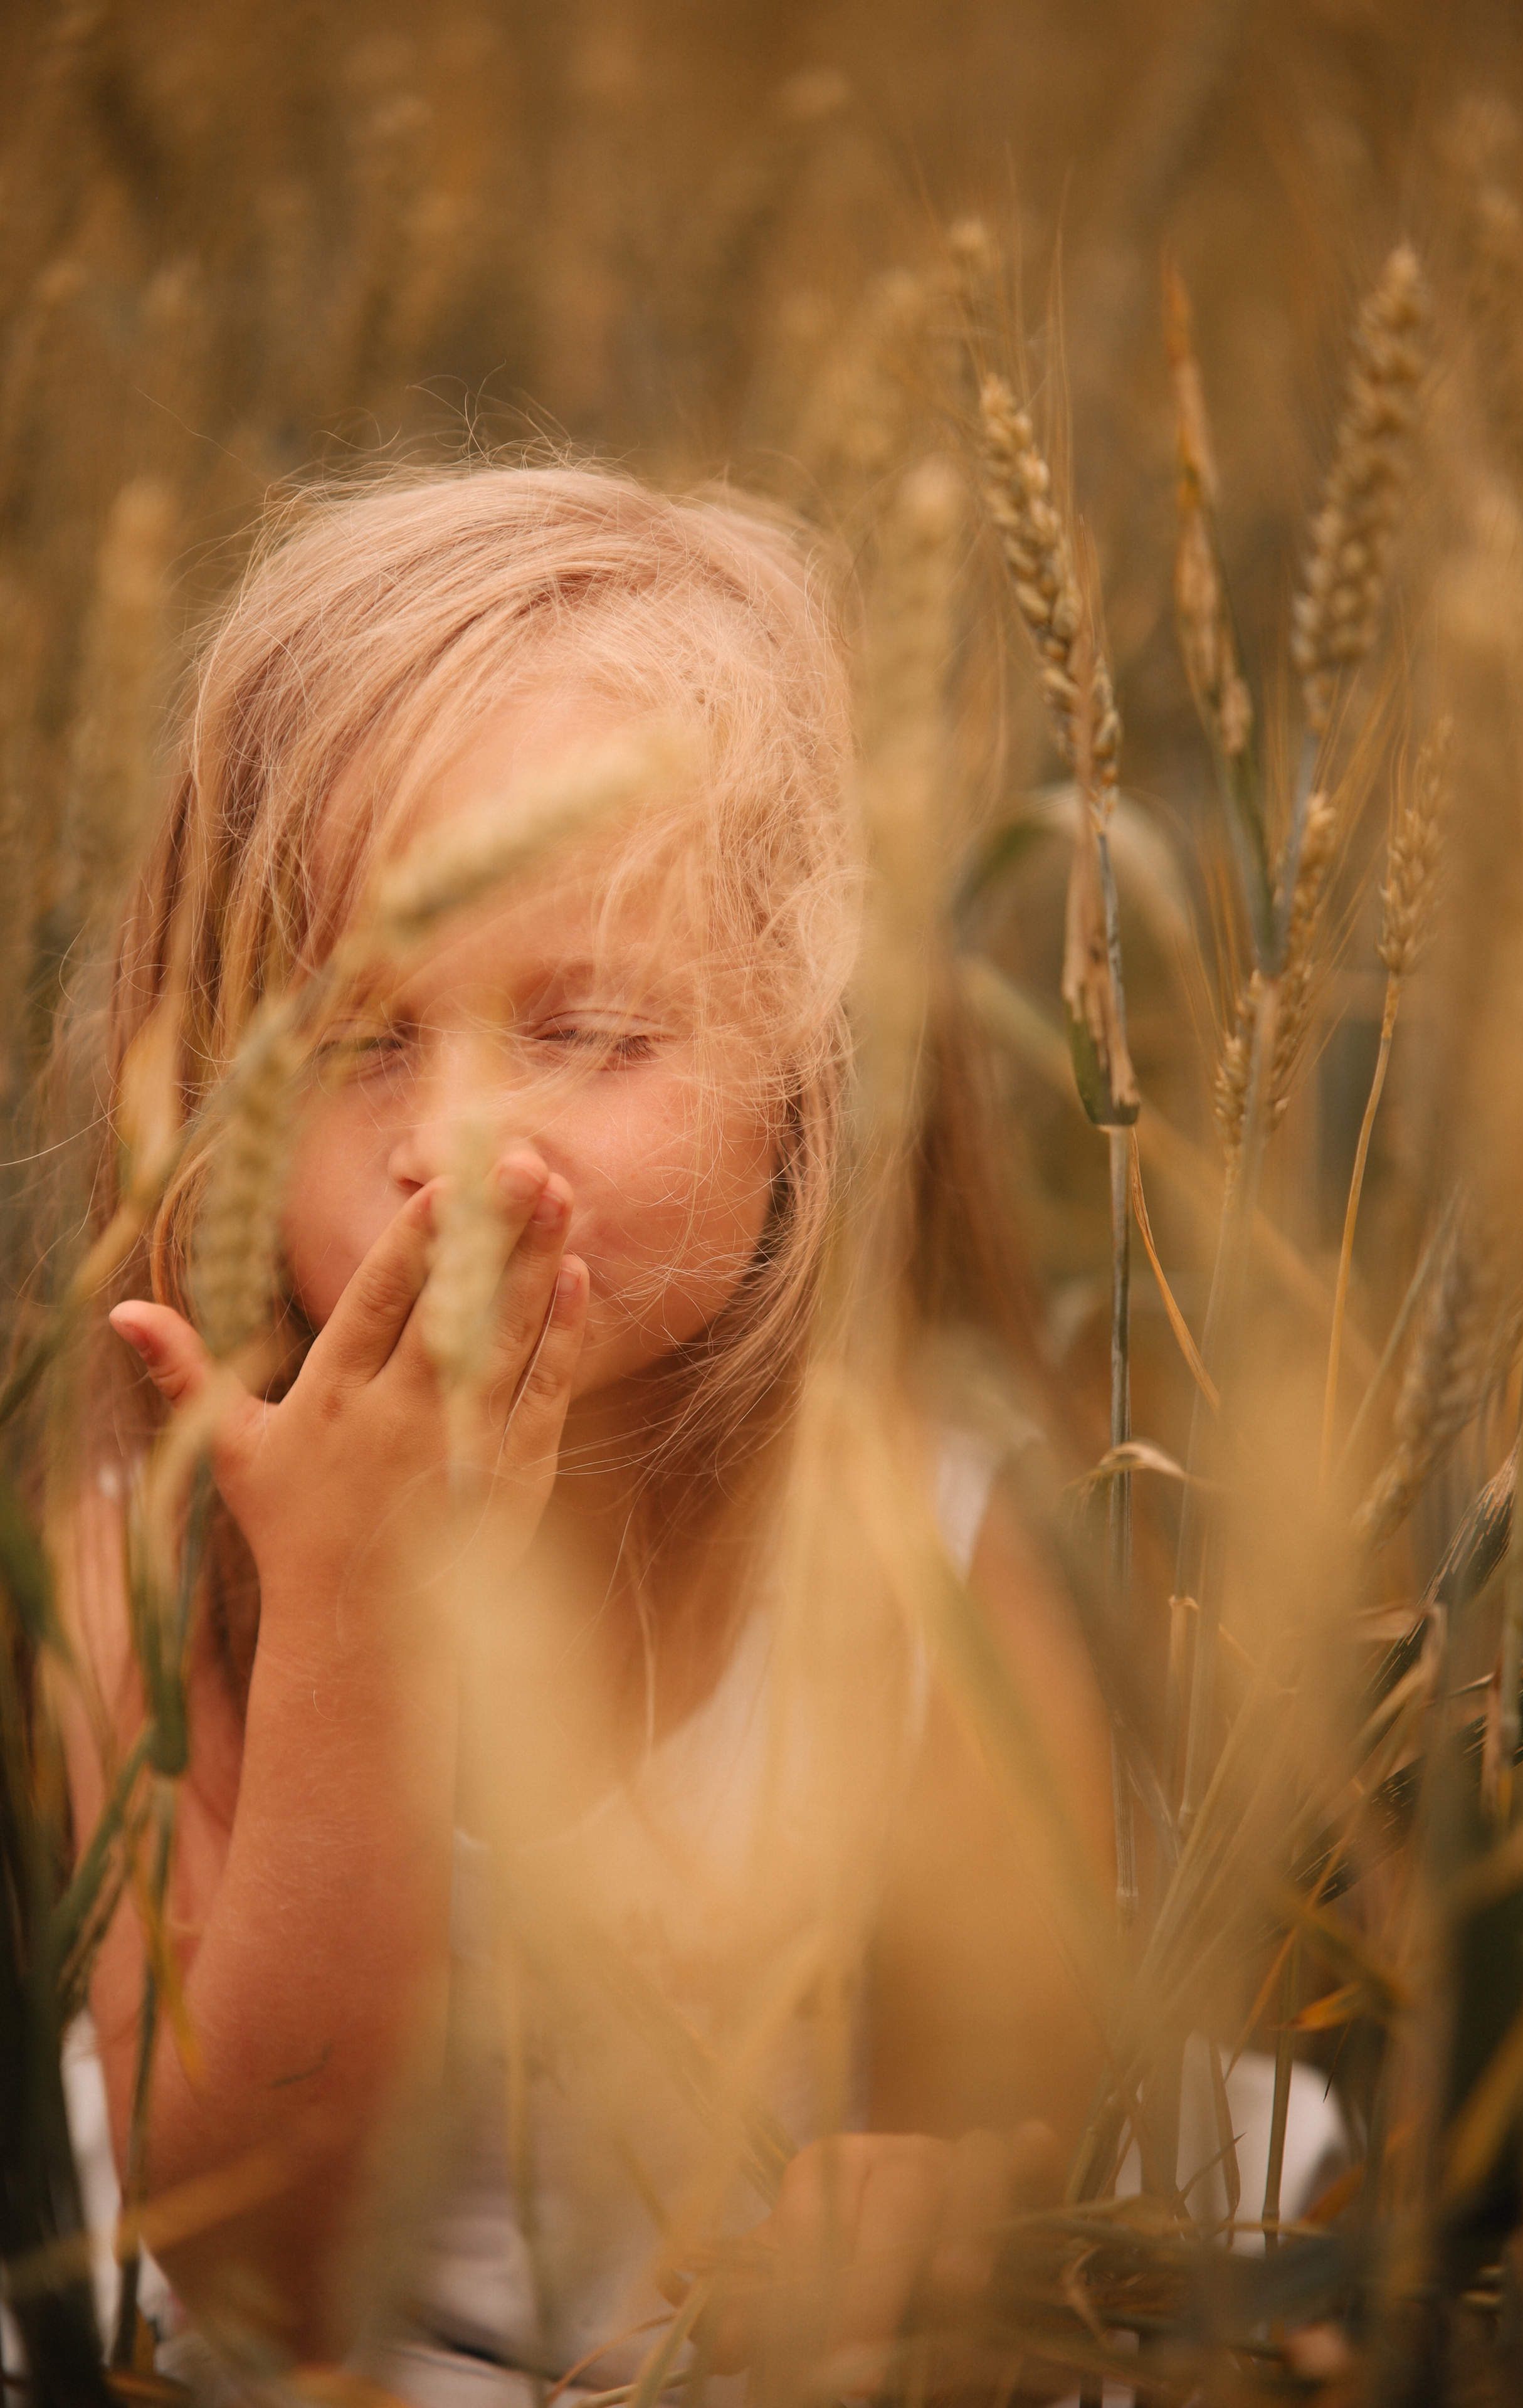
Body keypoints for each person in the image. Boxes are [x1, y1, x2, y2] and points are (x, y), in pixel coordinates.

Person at [56, 462, 1117, 2402]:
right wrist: (352, 1624)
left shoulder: (906, 1563)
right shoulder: (156, 1559)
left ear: (816, 1078)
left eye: (588, 1033)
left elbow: (1044, 2137)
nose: (455, 1144)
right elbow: (252, 2276)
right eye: (354, 1040)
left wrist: (945, 2218)